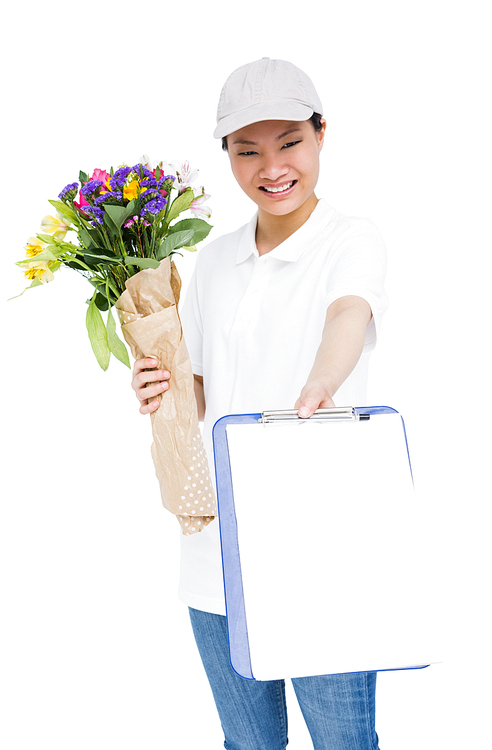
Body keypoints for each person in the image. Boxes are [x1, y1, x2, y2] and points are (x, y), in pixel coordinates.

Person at [131, 58, 388, 749]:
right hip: (219, 551)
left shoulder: (349, 239)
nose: (272, 168)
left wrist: (322, 382)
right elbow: (206, 387)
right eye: (248, 151)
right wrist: (163, 388)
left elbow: (349, 315)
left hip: (318, 549)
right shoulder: (213, 262)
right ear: (228, 156)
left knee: (344, 744)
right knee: (249, 745)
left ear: (322, 134)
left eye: (289, 143)